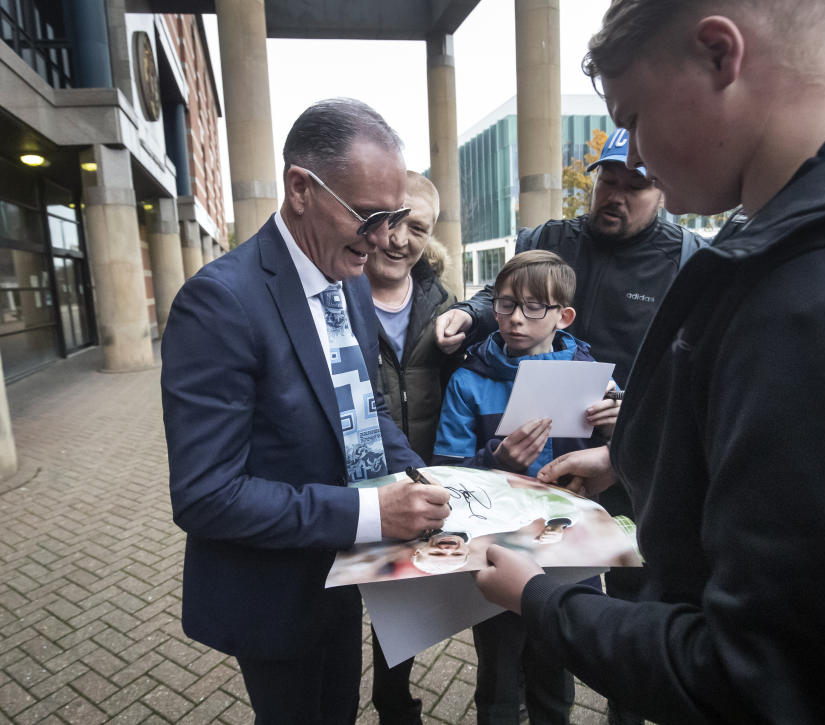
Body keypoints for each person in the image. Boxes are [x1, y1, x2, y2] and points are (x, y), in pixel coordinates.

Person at [475, 1, 825, 724]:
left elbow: (762, 679)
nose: (632, 156)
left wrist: (543, 596)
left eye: (633, 115)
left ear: (718, 54)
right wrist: (637, 461)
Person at [160, 98, 451, 724]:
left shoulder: (348, 277)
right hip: (273, 595)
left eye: (397, 215)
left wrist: (425, 481)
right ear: (300, 189)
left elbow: (363, 407)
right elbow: (206, 495)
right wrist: (371, 511)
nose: (385, 238)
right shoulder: (218, 303)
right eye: (370, 216)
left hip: (344, 577)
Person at [434, 125, 706, 642]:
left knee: (637, 615)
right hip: (543, 465)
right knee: (535, 607)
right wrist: (470, 312)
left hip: (631, 467)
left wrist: (636, 423)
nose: (616, 196)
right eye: (609, 179)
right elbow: (504, 291)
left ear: (662, 190)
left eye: (636, 185)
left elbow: (693, 371)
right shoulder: (548, 240)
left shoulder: (685, 259)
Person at [434, 250, 620, 725]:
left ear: (564, 315)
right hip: (499, 547)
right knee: (498, 673)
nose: (516, 318)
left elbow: (624, 451)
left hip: (570, 549)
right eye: (505, 303)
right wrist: (494, 462)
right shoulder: (468, 380)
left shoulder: (591, 375)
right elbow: (447, 471)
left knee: (556, 668)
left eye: (535, 306)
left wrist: (618, 428)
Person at [363, 170, 456, 725]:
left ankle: (395, 706)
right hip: (345, 479)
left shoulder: (440, 297)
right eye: (391, 222)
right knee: (336, 603)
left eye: (416, 227)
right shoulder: (335, 288)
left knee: (398, 612)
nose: (399, 239)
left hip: (417, 472)